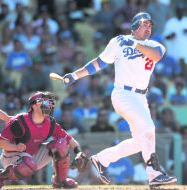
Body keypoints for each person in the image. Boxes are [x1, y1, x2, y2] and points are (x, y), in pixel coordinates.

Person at [63, 12, 177, 187]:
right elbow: (99, 62)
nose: (148, 28)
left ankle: (101, 160)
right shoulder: (118, 42)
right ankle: (154, 173)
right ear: (134, 26)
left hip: (140, 97)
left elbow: (155, 55)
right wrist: (75, 75)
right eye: (144, 24)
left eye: (150, 25)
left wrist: (134, 43)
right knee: (149, 128)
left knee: (141, 141)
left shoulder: (155, 45)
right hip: (123, 94)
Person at [0, 91, 88, 189]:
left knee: (61, 144)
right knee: (28, 165)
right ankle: (1, 176)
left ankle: (60, 180)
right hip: (12, 156)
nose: (49, 106)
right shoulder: (20, 121)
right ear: (34, 106)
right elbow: (1, 142)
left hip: (32, 156)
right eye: (45, 103)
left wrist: (79, 153)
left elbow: (69, 140)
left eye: (50, 103)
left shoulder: (50, 123)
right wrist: (15, 147)